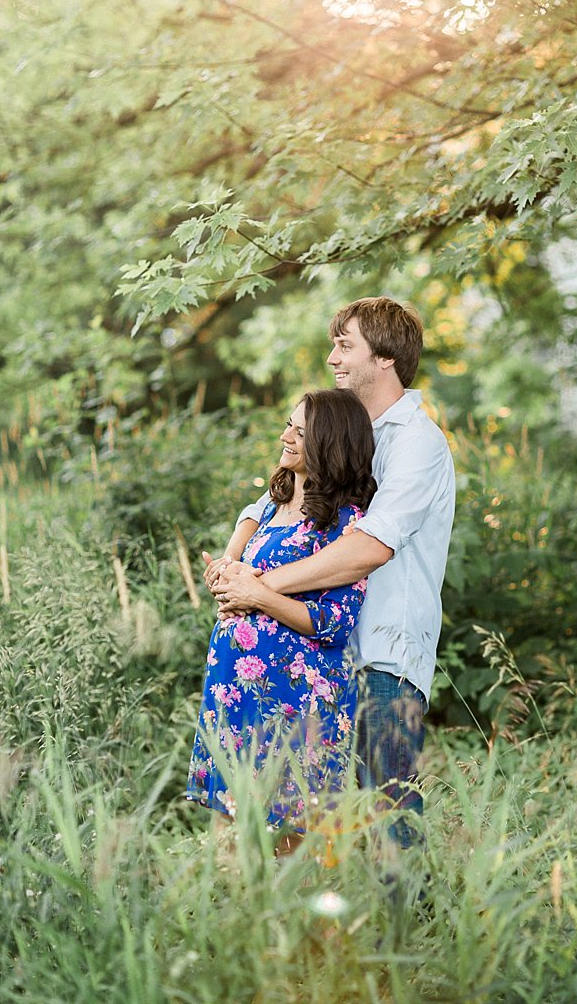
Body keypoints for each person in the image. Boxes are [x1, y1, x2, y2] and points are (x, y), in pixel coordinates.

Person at [212, 297, 456, 849]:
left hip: (382, 657)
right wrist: (234, 562)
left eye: (346, 346)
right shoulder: (343, 432)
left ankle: (407, 931)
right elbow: (272, 500)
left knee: (388, 813)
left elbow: (369, 548)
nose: (332, 358)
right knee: (311, 816)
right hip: (319, 657)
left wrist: (260, 586)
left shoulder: (417, 443)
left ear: (387, 357)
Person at [187, 388, 376, 841]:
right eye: (288, 424)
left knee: (290, 833)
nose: (284, 435)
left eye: (298, 429)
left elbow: (334, 622)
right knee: (233, 829)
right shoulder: (274, 506)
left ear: (328, 442)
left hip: (295, 697)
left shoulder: (346, 524)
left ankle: (288, 912)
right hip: (237, 689)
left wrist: (255, 594)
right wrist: (225, 577)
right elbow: (242, 577)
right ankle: (238, 910)